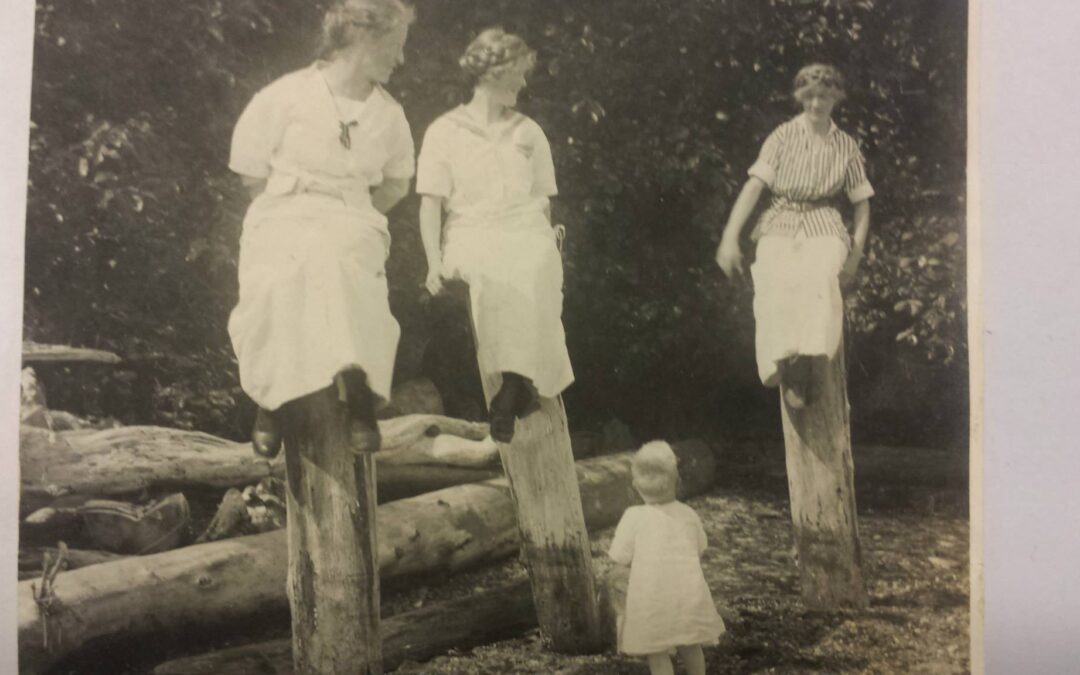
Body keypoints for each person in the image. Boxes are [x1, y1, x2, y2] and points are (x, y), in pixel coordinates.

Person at [227, 0, 416, 457]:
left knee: (338, 259)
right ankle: (270, 399)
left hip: (352, 215)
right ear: (363, 39)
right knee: (282, 272)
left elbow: (396, 183)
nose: (401, 58)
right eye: (396, 45)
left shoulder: (388, 115)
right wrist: (293, 207)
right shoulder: (285, 96)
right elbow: (251, 171)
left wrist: (349, 208)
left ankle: (359, 393)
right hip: (285, 210)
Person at [415, 28, 573, 442]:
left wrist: (542, 239)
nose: (523, 83)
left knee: (535, 259)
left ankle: (516, 383)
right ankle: (517, 385)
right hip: (471, 232)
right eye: (518, 73)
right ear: (495, 72)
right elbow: (430, 203)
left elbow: (543, 200)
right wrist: (433, 261)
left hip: (524, 227)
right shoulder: (444, 131)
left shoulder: (529, 132)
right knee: (497, 268)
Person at [715, 63, 874, 408]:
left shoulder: (846, 146)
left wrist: (855, 256)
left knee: (819, 273)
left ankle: (809, 359)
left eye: (825, 97)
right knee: (772, 271)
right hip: (782, 219)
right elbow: (754, 187)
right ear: (801, 98)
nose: (816, 104)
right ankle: (785, 360)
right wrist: (730, 236)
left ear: (836, 99)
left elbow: (862, 204)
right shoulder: (782, 136)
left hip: (824, 221)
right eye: (810, 97)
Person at [608, 441, 726, 675]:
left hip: (652, 599)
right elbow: (700, 547)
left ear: (634, 487)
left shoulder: (633, 517)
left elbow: (618, 556)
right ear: (678, 482)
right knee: (691, 644)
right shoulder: (688, 514)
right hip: (687, 596)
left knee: (658, 651)